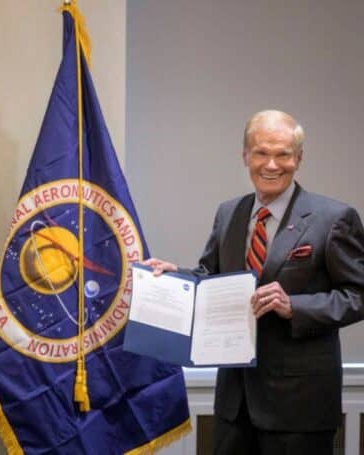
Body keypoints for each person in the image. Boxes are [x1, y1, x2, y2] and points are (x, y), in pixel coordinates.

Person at [143, 110, 364, 454]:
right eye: (261, 152)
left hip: (300, 407)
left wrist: (296, 307)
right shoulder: (229, 213)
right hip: (235, 402)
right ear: (245, 156)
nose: (271, 164)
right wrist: (177, 278)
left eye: (283, 154)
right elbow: (212, 280)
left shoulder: (333, 218)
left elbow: (358, 295)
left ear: (299, 159)